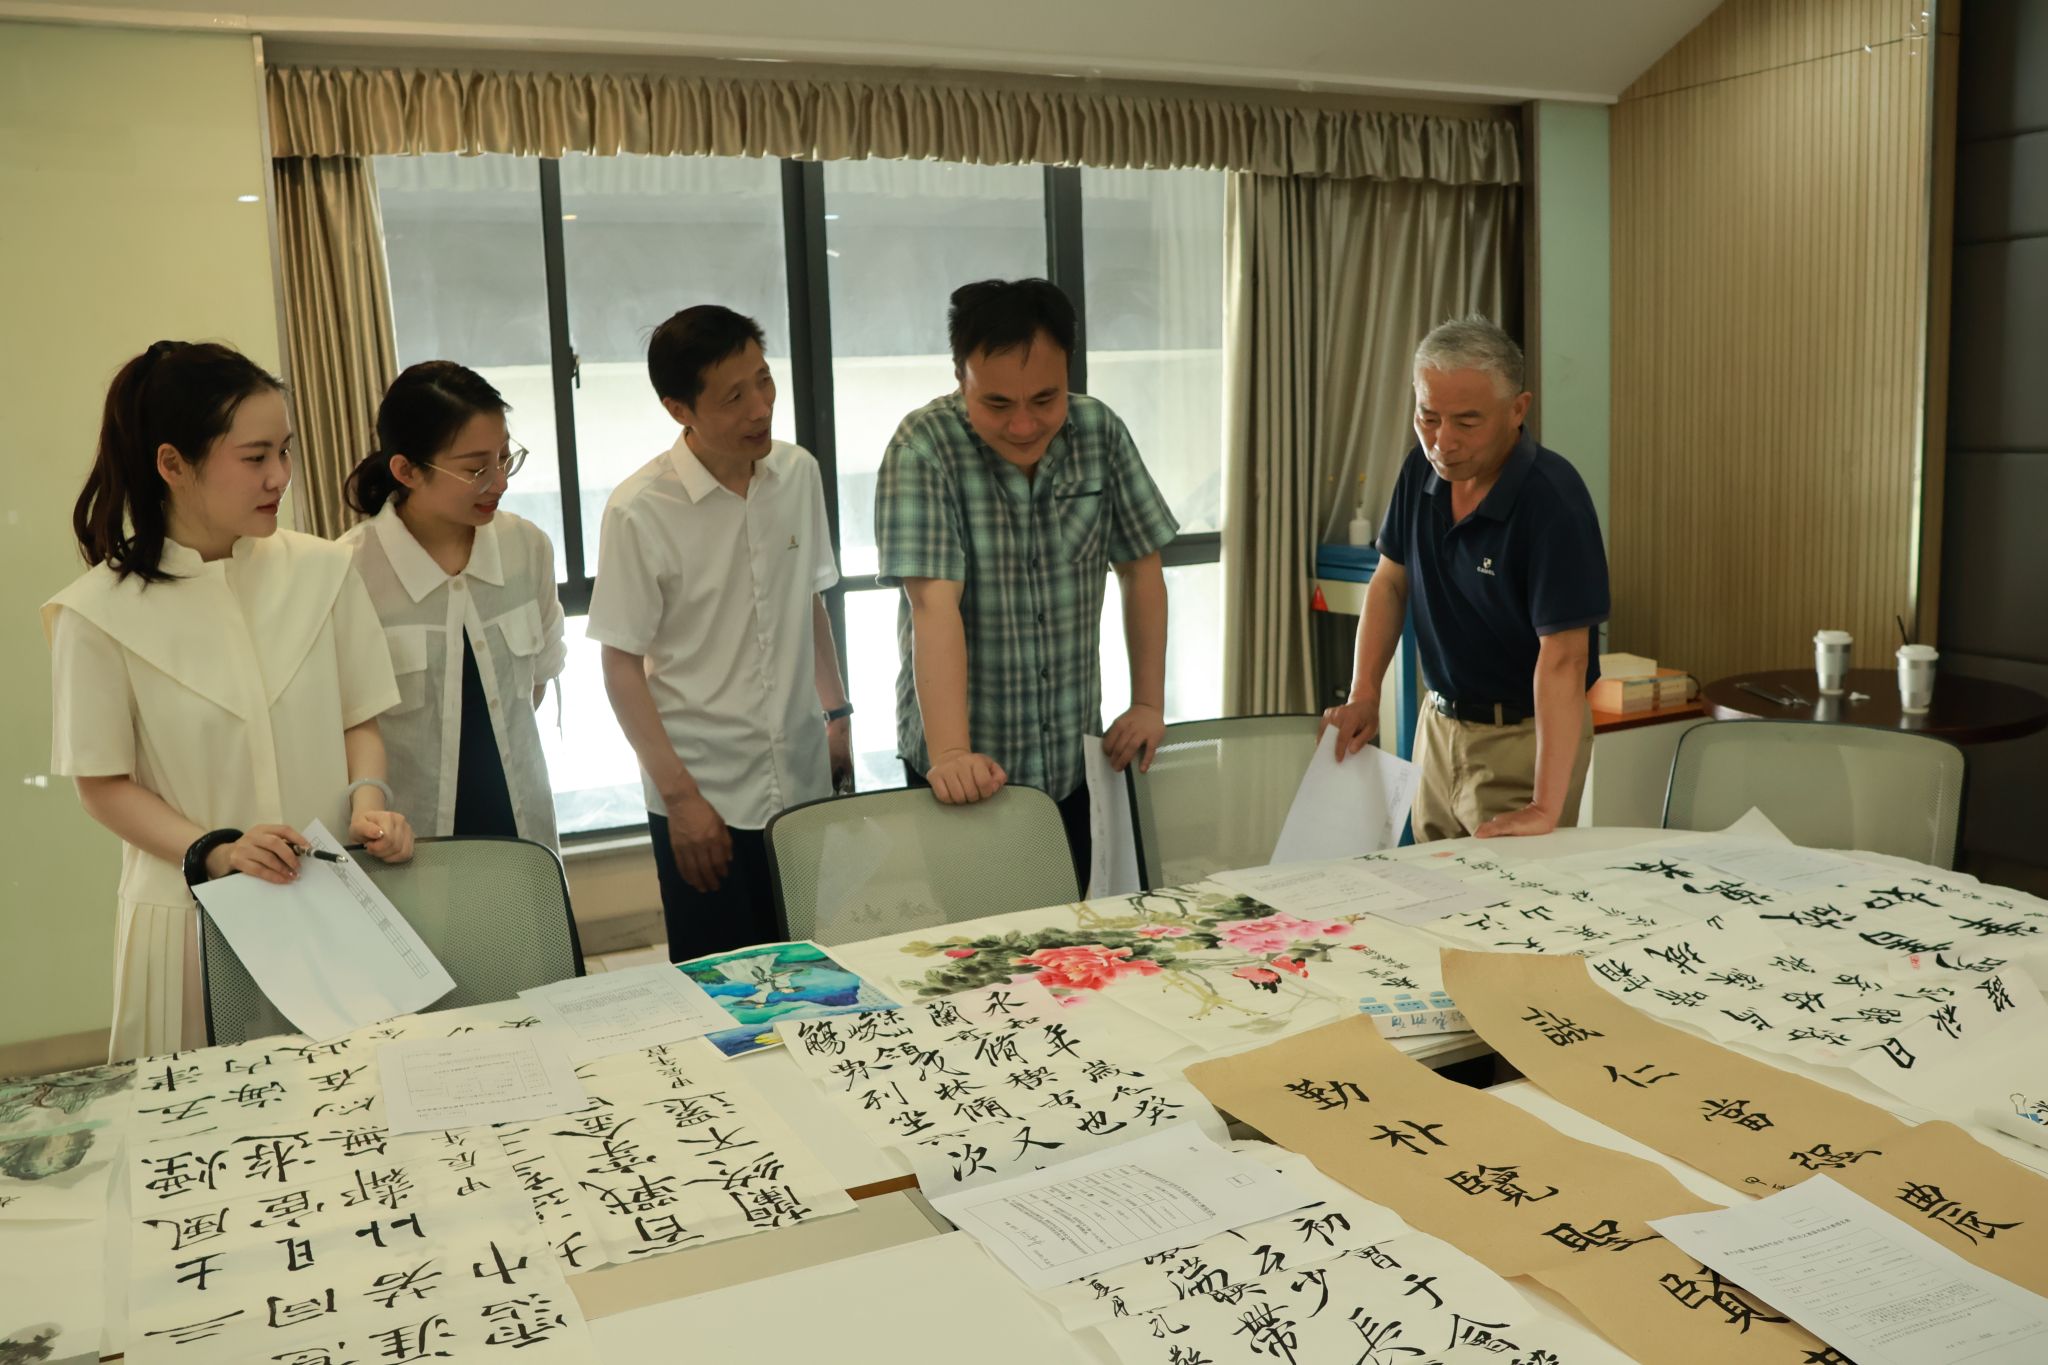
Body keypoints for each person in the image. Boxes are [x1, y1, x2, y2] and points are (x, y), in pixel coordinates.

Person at [44, 341, 415, 1061]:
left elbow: (358, 722)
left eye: (284, 450)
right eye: (254, 457)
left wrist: (370, 804)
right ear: (172, 464)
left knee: (357, 1108)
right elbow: (102, 785)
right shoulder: (96, 614)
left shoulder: (324, 571)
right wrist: (213, 850)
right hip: (188, 921)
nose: (280, 475)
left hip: (327, 902)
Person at [874, 278, 1180, 886]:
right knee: (982, 933)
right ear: (960, 376)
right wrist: (952, 754)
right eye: (996, 404)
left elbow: (1141, 567)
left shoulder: (1099, 432)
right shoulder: (923, 449)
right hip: (967, 764)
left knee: (1080, 922)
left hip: (1072, 754)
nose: (1022, 425)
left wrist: (1149, 702)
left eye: (1045, 399)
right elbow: (934, 607)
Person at [587, 306, 850, 961]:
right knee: (724, 988)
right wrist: (680, 799)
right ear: (680, 409)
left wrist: (838, 716)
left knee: (815, 970)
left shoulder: (798, 474)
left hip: (802, 781)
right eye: (734, 397)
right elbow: (620, 667)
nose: (761, 407)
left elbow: (808, 603)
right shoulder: (639, 509)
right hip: (705, 795)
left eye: (763, 380)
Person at [1322, 315, 1608, 841]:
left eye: (1467, 423)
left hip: (1521, 740)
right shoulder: (1420, 471)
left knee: (1505, 890)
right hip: (1437, 727)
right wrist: (1364, 692)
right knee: (1431, 885)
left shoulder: (1553, 500)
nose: (1443, 442)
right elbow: (1390, 583)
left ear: (1518, 409)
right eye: (1427, 417)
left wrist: (1544, 806)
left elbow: (1565, 658)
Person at [338, 362, 567, 848]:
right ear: (406, 470)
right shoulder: (349, 572)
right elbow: (344, 726)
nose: (500, 482)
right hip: (406, 845)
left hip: (523, 833)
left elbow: (537, 682)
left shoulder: (527, 549)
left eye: (504, 458)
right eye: (476, 469)